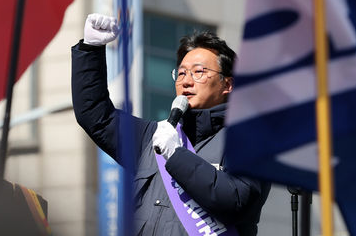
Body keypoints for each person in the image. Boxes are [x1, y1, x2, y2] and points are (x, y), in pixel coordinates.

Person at [72, 14, 270, 236]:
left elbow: (237, 201)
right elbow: (96, 115)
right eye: (182, 73)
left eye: (199, 72)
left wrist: (177, 155)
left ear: (228, 84)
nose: (186, 81)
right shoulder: (155, 136)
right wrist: (90, 50)